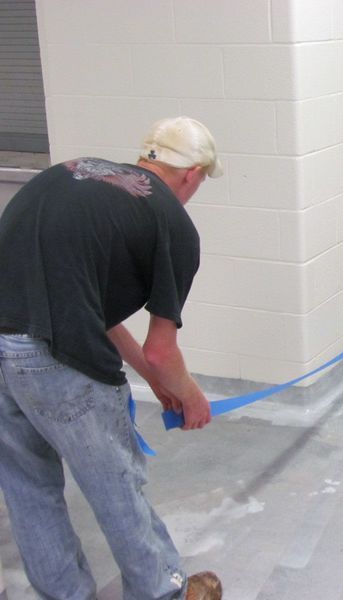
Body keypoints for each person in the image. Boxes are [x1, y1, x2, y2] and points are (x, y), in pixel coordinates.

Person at [0, 117, 225, 599]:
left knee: (27, 485)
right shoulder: (172, 222)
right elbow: (162, 349)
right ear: (193, 173)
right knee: (116, 484)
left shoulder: (74, 171)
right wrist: (190, 395)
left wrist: (158, 381)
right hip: (52, 356)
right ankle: (161, 591)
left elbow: (93, 310)